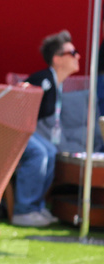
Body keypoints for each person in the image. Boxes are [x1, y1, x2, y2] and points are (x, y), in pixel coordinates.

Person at [17, 30, 79, 226]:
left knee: (50, 151)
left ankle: (36, 207)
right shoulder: (43, 80)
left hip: (28, 131)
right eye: (73, 52)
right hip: (16, 132)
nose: (78, 56)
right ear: (57, 59)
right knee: (39, 152)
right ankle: (23, 211)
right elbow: (21, 106)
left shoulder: (56, 83)